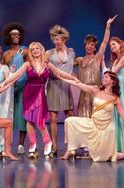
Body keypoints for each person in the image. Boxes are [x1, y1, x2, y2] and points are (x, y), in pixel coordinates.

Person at [0, 42, 76, 158]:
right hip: (29, 94)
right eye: (32, 49)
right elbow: (15, 76)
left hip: (40, 94)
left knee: (40, 121)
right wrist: (4, 84)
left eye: (37, 48)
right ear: (30, 52)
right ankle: (32, 144)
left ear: (41, 50)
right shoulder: (27, 64)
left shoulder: (47, 64)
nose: (35, 50)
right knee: (29, 121)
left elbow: (60, 74)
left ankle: (47, 142)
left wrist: (75, 80)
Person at [59, 71, 124, 161]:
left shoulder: (115, 98)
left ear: (112, 81)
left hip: (106, 128)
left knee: (105, 157)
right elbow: (78, 84)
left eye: (106, 77)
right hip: (93, 124)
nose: (103, 78)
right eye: (103, 76)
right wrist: (63, 78)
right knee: (69, 121)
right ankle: (70, 150)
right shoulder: (96, 90)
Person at [74, 15, 117, 118]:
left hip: (95, 92)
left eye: (92, 45)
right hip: (83, 93)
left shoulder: (97, 58)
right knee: (83, 119)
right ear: (85, 45)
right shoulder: (79, 60)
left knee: (94, 118)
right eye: (88, 44)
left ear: (94, 48)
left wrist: (108, 26)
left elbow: (105, 42)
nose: (89, 46)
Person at [45, 25, 75, 156]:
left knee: (70, 116)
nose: (55, 42)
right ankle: (54, 147)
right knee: (53, 117)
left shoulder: (71, 53)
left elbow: (73, 65)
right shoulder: (49, 53)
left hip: (66, 86)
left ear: (64, 40)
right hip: (53, 85)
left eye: (58, 39)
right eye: (54, 39)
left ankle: (72, 146)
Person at [1, 22, 28, 154]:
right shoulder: (5, 54)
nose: (16, 36)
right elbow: (1, 70)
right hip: (10, 87)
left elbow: (32, 64)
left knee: (23, 116)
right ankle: (7, 144)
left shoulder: (25, 50)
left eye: (18, 34)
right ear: (9, 37)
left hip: (24, 86)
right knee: (8, 115)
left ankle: (21, 145)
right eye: (13, 34)